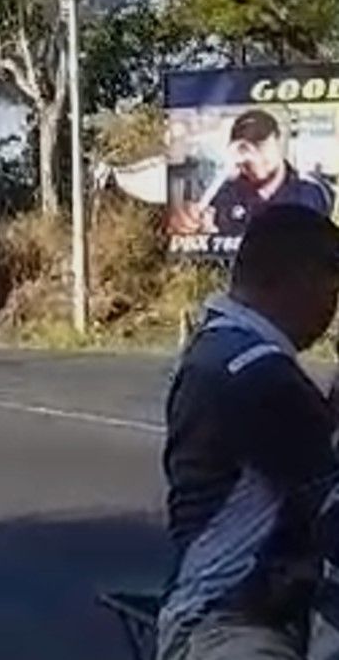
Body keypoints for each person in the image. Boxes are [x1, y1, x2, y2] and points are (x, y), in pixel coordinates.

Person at [157, 204, 339, 659]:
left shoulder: (221, 346)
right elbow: (328, 498)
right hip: (231, 624)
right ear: (298, 280)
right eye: (332, 292)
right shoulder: (254, 373)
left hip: (249, 609)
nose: (331, 312)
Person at [177, 109, 336, 236]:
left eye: (260, 145)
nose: (254, 157)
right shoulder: (222, 197)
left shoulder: (312, 191)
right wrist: (201, 233)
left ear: (279, 141)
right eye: (244, 148)